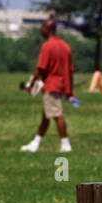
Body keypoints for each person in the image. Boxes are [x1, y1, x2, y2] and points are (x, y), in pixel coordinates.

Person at [21, 20, 75, 152]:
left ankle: (66, 145)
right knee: (46, 115)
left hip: (51, 85)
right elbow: (70, 70)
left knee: (57, 114)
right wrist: (70, 90)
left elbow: (40, 68)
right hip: (61, 84)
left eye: (42, 28)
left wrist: (31, 84)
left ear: (47, 29)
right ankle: (35, 143)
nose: (40, 30)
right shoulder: (65, 46)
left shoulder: (47, 46)